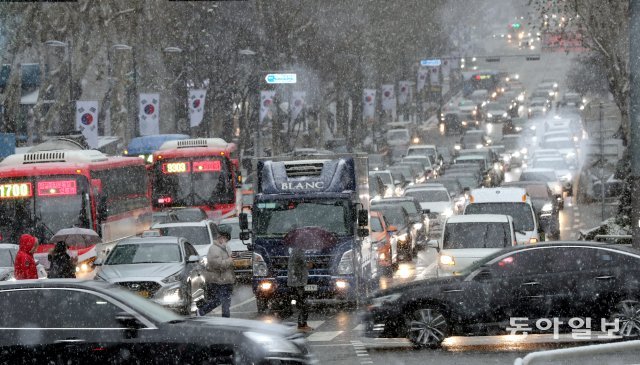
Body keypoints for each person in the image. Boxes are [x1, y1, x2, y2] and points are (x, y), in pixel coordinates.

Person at [198, 225, 235, 317]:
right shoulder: (214, 249)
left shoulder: (225, 248)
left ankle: (225, 319)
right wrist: (230, 260)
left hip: (225, 280)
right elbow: (217, 264)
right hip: (218, 280)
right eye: (226, 239)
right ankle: (202, 311)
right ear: (221, 238)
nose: (226, 241)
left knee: (225, 301)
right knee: (220, 300)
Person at [288, 246, 312, 332]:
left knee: (302, 304)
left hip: (298, 282)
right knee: (303, 304)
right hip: (298, 283)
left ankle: (303, 324)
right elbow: (302, 265)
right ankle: (301, 324)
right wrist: (308, 265)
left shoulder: (297, 251)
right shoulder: (298, 252)